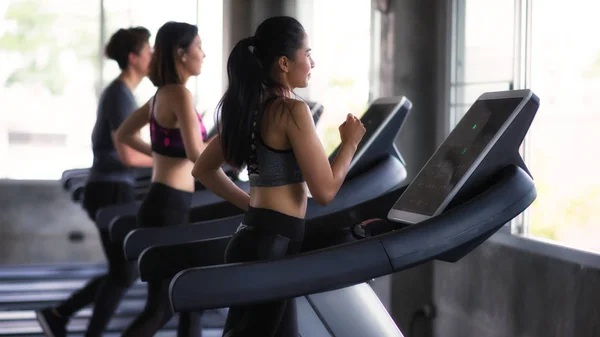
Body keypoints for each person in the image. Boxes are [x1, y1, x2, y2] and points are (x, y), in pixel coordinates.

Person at [192, 16, 366, 337]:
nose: (312, 61)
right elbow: (325, 191)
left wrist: (250, 205)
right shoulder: (291, 111)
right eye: (307, 53)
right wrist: (351, 142)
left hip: (258, 236)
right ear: (285, 63)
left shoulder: (250, 106)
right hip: (271, 244)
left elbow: (202, 169)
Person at [35, 26, 153, 337]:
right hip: (110, 189)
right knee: (124, 272)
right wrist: (170, 160)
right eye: (148, 50)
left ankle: (59, 313)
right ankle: (67, 318)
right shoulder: (119, 95)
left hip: (113, 188)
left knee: (122, 271)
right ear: (133, 58)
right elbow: (127, 154)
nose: (152, 55)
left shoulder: (124, 93)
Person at [116, 21, 208, 337]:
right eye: (198, 46)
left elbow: (125, 133)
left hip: (165, 202)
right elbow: (198, 155)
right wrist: (228, 148)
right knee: (163, 306)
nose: (204, 54)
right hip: (168, 205)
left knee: (191, 299)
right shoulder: (180, 94)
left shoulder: (160, 95)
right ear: (181, 54)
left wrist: (161, 154)